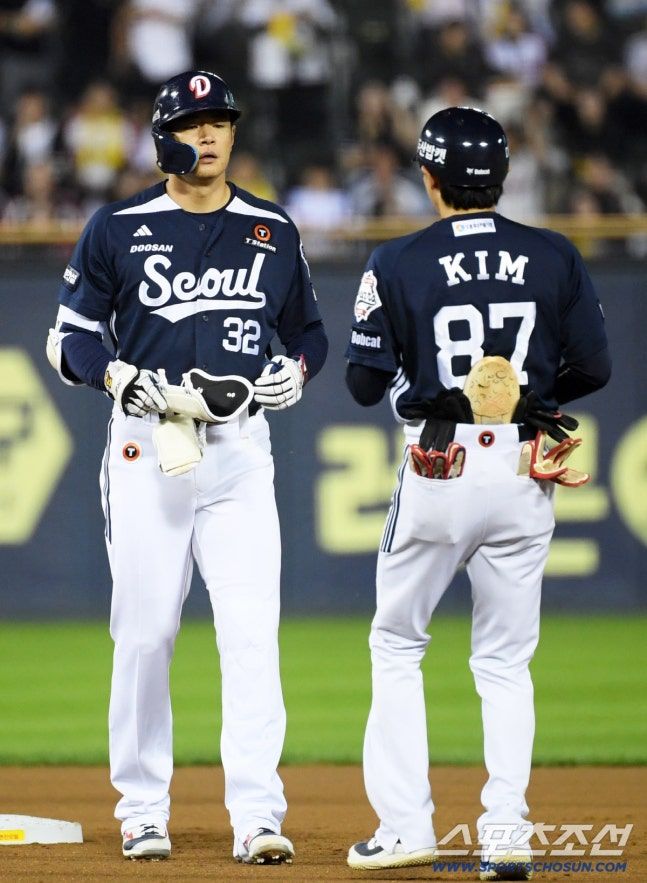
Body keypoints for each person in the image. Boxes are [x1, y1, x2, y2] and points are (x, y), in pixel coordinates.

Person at [46, 69, 327, 864]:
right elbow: (68, 338)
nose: (207, 134)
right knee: (145, 632)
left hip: (239, 450)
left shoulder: (271, 227)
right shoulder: (118, 226)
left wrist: (296, 370)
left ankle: (258, 814)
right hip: (148, 444)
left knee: (251, 634)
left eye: (220, 121)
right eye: (191, 123)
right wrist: (113, 374)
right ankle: (141, 808)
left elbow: (308, 330)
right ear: (161, 138)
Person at [344, 107, 610, 879]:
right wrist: (528, 401)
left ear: (429, 178)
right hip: (522, 465)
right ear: (501, 174)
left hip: (440, 460)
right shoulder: (554, 253)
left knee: (397, 643)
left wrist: (438, 386)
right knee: (503, 661)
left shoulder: (397, 258)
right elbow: (594, 368)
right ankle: (505, 833)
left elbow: (362, 383)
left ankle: (405, 827)